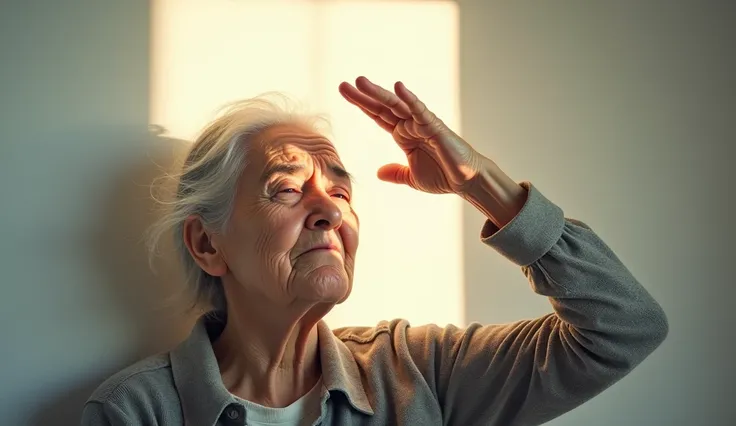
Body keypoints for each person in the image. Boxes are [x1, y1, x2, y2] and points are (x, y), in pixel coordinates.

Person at [81, 77, 668, 426]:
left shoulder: (418, 372)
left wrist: (481, 183)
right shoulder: (136, 411)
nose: (331, 210)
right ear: (208, 243)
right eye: (286, 189)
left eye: (340, 190)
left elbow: (623, 329)